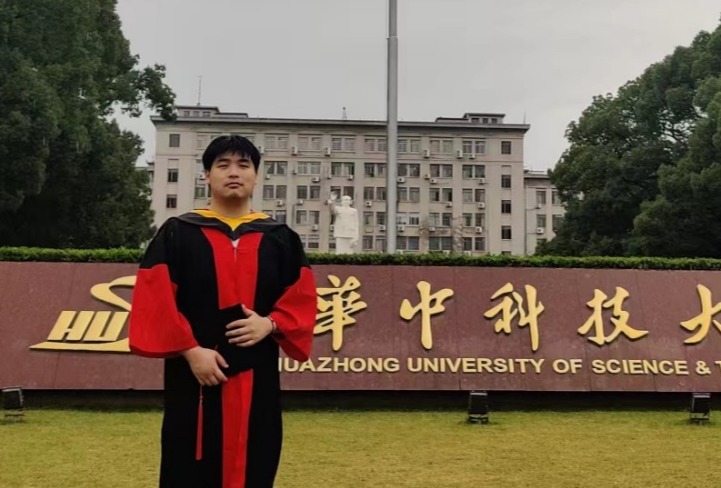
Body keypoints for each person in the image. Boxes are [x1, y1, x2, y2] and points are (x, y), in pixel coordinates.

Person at [129, 135, 317, 488]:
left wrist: (270, 323)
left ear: (256, 176)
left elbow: (302, 298)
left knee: (255, 460)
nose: (234, 172)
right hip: (193, 377)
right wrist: (191, 350)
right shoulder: (178, 233)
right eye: (223, 165)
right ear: (207, 175)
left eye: (244, 165)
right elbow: (154, 299)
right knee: (188, 463)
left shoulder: (280, 238)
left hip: (256, 374)